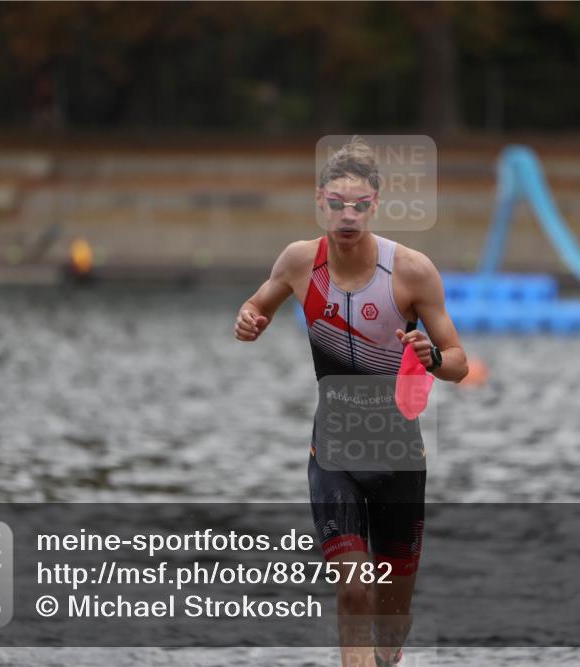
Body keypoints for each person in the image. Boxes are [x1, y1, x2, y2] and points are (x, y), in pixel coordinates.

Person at [234, 137, 468, 667]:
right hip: (333, 453)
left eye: (359, 205)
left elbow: (459, 362)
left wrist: (431, 357)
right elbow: (257, 304)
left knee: (390, 624)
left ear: (375, 205)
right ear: (321, 201)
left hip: (398, 457)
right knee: (354, 587)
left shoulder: (411, 271)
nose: (347, 216)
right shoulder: (298, 262)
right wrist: (248, 319)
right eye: (336, 204)